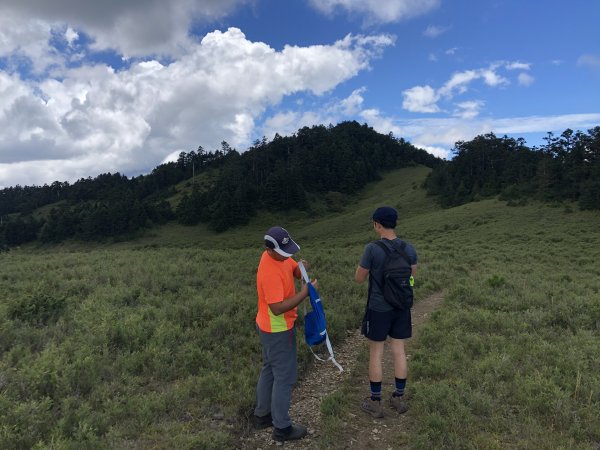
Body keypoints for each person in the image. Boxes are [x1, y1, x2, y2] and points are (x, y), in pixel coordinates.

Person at [253, 226, 317, 442]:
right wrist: (304, 293)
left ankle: (262, 416)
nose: (289, 255)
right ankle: (282, 427)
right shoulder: (269, 272)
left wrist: (301, 269)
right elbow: (278, 308)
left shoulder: (279, 257)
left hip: (266, 326)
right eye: (284, 251)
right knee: (285, 377)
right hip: (278, 329)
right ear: (269, 249)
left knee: (269, 368)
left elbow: (293, 268)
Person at [354, 206, 418, 418]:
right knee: (399, 350)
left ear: (377, 224)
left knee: (376, 353)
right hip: (401, 307)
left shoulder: (372, 249)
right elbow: (412, 277)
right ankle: (398, 397)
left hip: (378, 308)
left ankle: (375, 401)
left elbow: (359, 278)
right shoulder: (408, 249)